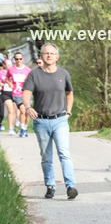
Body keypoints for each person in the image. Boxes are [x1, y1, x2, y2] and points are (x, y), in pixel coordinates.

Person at [23, 43, 77, 200]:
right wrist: (27, 107)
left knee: (64, 153)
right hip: (41, 121)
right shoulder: (34, 74)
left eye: (52, 54)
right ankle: (50, 186)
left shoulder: (63, 74)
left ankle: (71, 186)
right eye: (45, 53)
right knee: (46, 156)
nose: (49, 56)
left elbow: (70, 93)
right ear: (41, 56)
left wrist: (68, 112)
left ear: (57, 56)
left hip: (60, 120)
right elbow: (26, 94)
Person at [6, 52, 32, 137]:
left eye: (20, 59)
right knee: (22, 110)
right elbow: (6, 78)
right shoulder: (11, 69)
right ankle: (22, 128)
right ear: (14, 59)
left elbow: (32, 80)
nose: (18, 61)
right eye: (16, 59)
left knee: (27, 113)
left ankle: (24, 128)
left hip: (26, 93)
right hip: (16, 93)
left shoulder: (27, 69)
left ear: (23, 59)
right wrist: (9, 83)